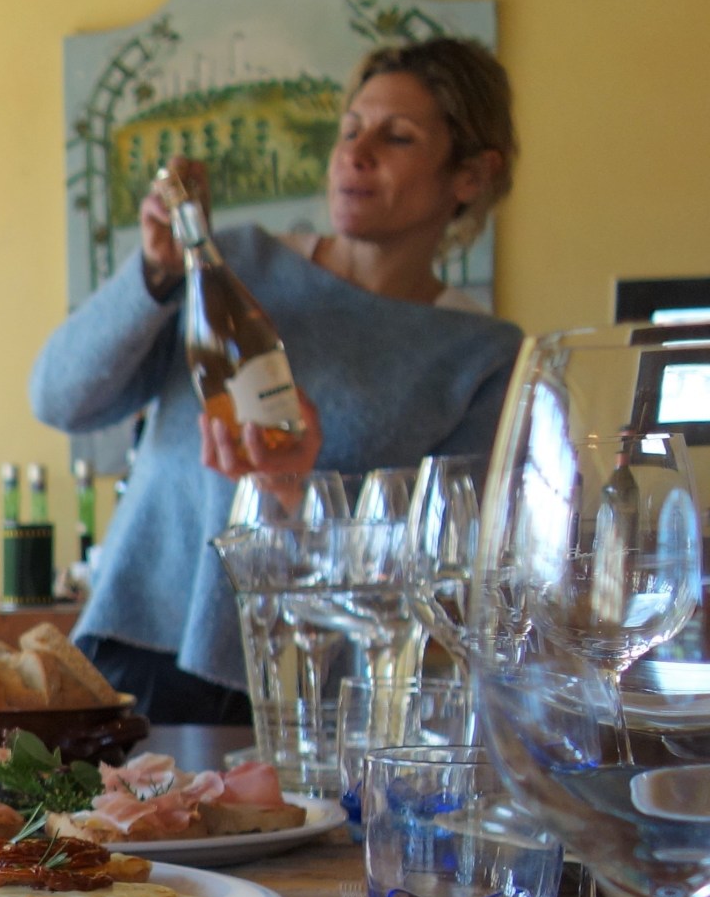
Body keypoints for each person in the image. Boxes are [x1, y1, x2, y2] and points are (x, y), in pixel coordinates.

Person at [31, 36, 525, 723]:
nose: (356, 152)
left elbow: (446, 570)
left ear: (471, 175)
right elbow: (58, 398)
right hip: (131, 658)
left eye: (398, 137)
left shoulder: (483, 354)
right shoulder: (229, 264)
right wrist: (153, 274)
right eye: (350, 130)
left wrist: (301, 495)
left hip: (314, 697)